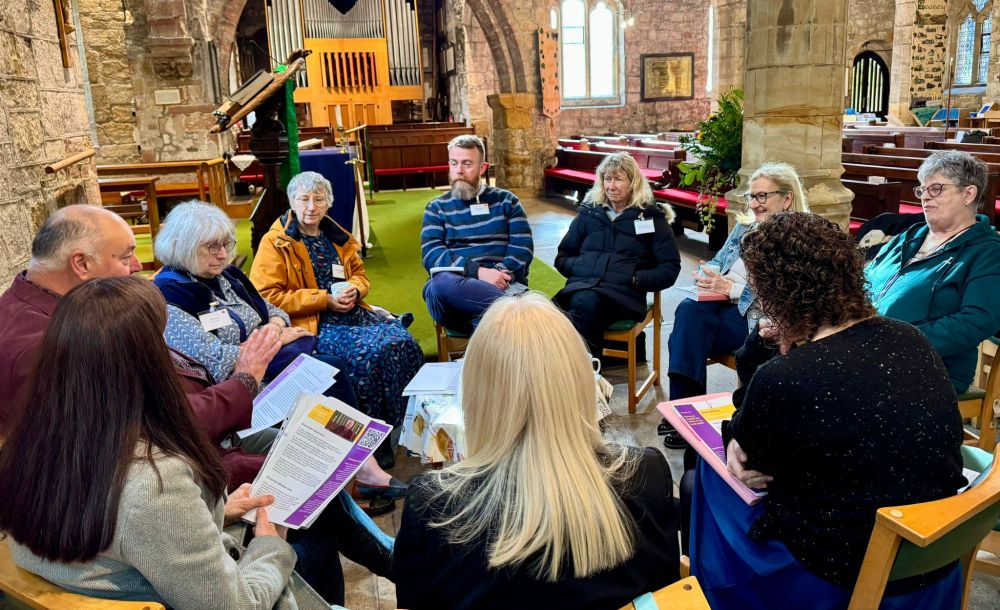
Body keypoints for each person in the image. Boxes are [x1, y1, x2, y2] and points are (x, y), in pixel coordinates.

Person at [0, 277, 358, 610]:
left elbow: (117, 532)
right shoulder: (153, 480)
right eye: (163, 340)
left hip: (127, 581)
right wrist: (270, 544)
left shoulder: (34, 441)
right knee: (314, 542)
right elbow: (236, 605)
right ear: (151, 361)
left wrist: (215, 514)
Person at [690, 213, 966, 610]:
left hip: (836, 567)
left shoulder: (786, 377)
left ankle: (711, 588)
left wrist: (735, 434)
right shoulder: (911, 338)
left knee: (709, 472)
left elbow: (753, 454)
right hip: (931, 551)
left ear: (775, 294)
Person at [391, 292, 680, 610]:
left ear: (475, 392)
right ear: (581, 380)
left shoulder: (433, 507)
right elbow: (666, 597)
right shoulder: (647, 476)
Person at [151, 201, 403, 501]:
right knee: (323, 382)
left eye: (226, 244)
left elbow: (274, 310)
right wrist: (278, 337)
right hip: (239, 389)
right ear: (182, 246)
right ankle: (357, 474)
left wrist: (270, 331)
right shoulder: (170, 297)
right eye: (211, 246)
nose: (222, 253)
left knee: (330, 369)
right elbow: (219, 362)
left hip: (268, 371)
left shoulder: (225, 277)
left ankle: (359, 469)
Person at [251, 171, 423, 430]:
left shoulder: (336, 236)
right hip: (315, 322)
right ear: (292, 202)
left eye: (319, 199)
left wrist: (355, 289)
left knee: (403, 342)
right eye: (304, 199)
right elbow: (267, 297)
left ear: (328, 203)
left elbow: (360, 276)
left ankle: (405, 424)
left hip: (353, 313)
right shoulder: (276, 242)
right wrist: (325, 300)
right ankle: (369, 432)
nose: (311, 207)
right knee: (367, 355)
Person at [665, 162, 809, 404]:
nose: (753, 204)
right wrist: (707, 274)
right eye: (751, 196)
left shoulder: (797, 239)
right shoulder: (745, 227)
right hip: (719, 306)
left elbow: (786, 296)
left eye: (762, 196)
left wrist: (731, 289)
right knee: (689, 312)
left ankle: (685, 407)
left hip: (757, 318)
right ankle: (686, 408)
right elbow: (720, 261)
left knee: (687, 336)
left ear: (787, 198)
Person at [866, 149, 1000, 393]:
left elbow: (979, 319)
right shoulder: (909, 237)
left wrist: (898, 340)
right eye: (922, 189)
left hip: (929, 368)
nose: (925, 197)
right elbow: (864, 282)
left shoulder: (987, 252)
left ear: (968, 193)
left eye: (936, 188)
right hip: (869, 350)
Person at [553, 152, 681, 354]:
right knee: (543, 312)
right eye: (607, 179)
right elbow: (562, 258)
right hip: (581, 288)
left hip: (623, 296)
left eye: (618, 179)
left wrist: (634, 278)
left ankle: (587, 379)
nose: (611, 186)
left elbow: (670, 267)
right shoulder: (590, 213)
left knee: (584, 307)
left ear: (633, 182)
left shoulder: (650, 217)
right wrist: (586, 269)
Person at [420, 134, 534, 331]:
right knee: (440, 282)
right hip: (454, 295)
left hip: (502, 284)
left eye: (467, 164)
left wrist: (497, 275)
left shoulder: (507, 202)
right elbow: (432, 255)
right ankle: (517, 310)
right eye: (454, 163)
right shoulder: (437, 207)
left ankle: (489, 329)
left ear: (482, 168)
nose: (459, 171)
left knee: (491, 317)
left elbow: (522, 249)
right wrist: (479, 273)